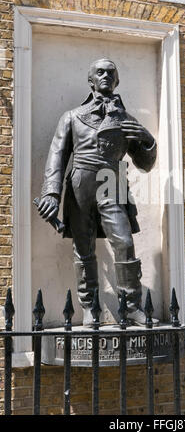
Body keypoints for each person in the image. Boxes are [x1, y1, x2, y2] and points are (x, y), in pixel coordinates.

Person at [38, 58, 158, 327]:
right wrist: (51, 195)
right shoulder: (71, 117)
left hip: (112, 183)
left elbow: (145, 165)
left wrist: (147, 140)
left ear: (116, 81)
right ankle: (90, 308)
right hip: (81, 183)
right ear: (91, 80)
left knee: (125, 243)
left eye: (110, 72)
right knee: (83, 249)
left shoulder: (127, 120)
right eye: (99, 72)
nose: (105, 75)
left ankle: (130, 306)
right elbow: (56, 158)